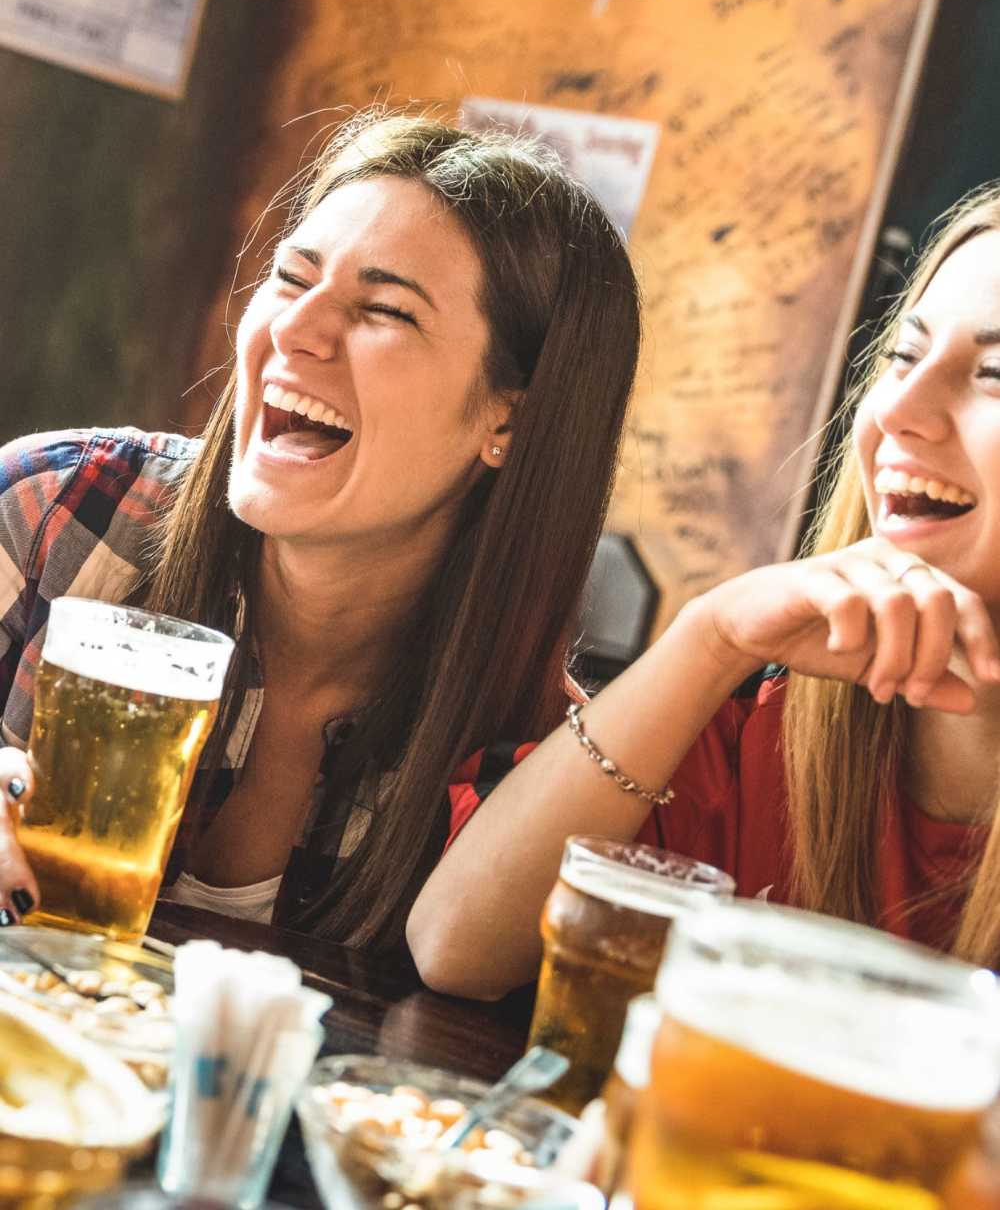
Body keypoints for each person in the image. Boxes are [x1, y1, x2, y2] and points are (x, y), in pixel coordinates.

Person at [0, 110, 641, 958]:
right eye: (293, 279)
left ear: (511, 424)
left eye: (384, 310)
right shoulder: (62, 505)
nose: (296, 330)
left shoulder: (535, 753)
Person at [405, 181, 1000, 996]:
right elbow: (456, 949)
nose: (900, 408)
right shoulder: (760, 728)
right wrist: (710, 636)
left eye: (995, 373)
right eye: (901, 356)